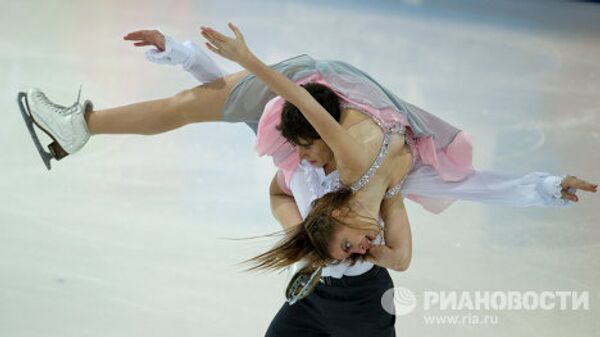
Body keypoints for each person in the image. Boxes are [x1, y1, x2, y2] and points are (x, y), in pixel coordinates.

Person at [17, 24, 596, 337]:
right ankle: (83, 125)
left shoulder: (337, 164)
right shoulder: (365, 176)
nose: (303, 160)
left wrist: (229, 59)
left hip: (314, 87)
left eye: (304, 153)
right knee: (205, 103)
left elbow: (298, 107)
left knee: (205, 104)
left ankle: (82, 125)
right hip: (321, 91)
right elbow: (473, 186)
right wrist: (546, 187)